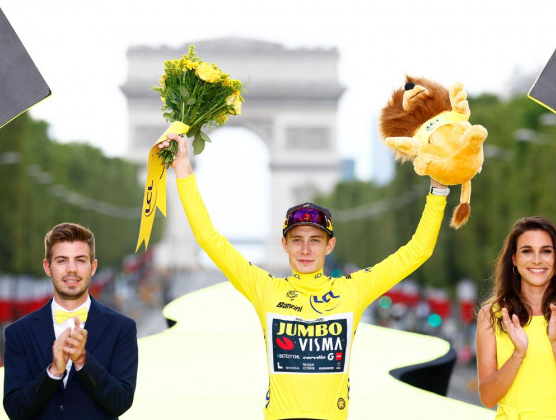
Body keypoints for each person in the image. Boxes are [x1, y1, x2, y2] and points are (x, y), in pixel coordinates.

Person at [159, 133, 448, 420]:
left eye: (315, 240)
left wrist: (439, 189)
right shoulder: (265, 289)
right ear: (284, 245)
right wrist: (183, 168)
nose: (306, 249)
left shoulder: (354, 289)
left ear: (330, 245)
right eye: (297, 240)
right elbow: (209, 239)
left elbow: (418, 251)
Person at [3, 223, 138, 420]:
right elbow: (15, 410)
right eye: (62, 260)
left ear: (93, 267)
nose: (72, 269)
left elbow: (121, 402)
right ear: (47, 267)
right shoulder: (18, 332)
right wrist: (53, 372)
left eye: (80, 260)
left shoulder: (122, 328)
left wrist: (83, 361)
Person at [476, 216, 556, 419]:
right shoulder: (490, 316)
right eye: (527, 251)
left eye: (546, 251)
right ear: (514, 259)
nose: (537, 260)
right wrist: (518, 354)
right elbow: (488, 398)